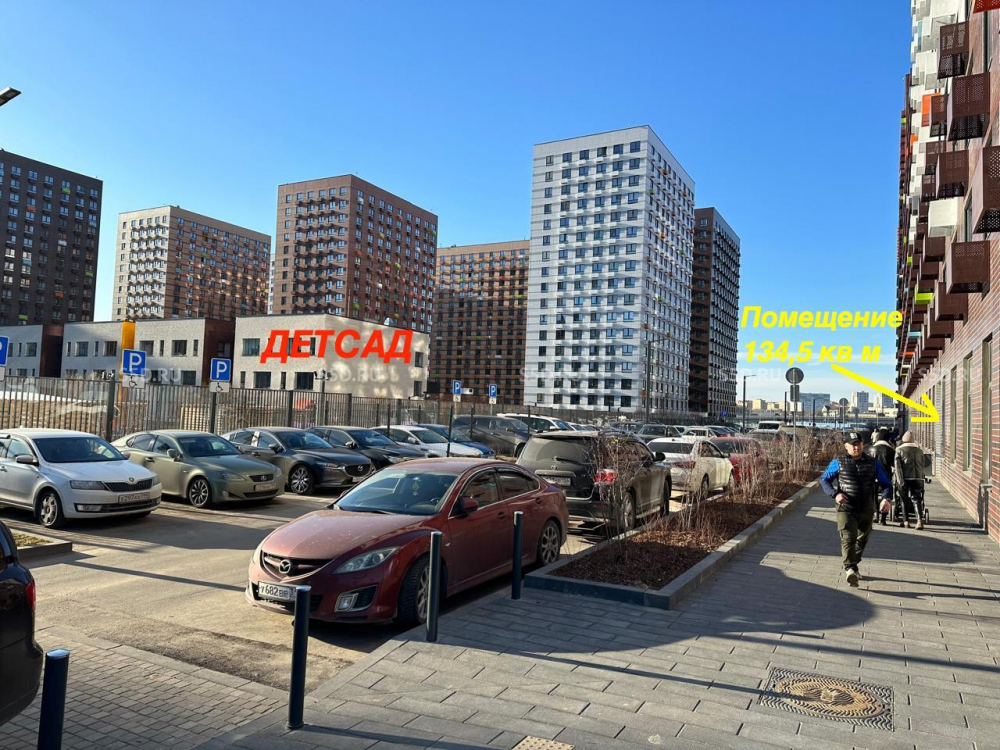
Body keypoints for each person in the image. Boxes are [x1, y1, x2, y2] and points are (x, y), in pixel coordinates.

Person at [820, 431, 892, 587]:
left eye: (858, 444)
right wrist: (835, 494)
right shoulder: (838, 462)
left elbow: (886, 483)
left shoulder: (873, 463)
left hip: (867, 507)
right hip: (846, 507)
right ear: (846, 446)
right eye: (852, 445)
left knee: (862, 539)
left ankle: (853, 564)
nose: (856, 447)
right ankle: (850, 569)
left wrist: (886, 499)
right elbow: (824, 480)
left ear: (863, 444)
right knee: (848, 537)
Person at [894, 430, 926, 530]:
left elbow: (897, 466)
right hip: (918, 477)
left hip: (905, 477)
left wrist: (899, 480)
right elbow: (923, 464)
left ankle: (906, 521)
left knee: (903, 499)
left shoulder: (899, 450)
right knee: (917, 499)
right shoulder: (920, 451)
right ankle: (919, 521)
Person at [867, 429, 896, 526]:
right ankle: (883, 518)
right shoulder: (890, 450)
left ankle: (876, 514)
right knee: (886, 496)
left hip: (873, 476)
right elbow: (894, 465)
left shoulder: (871, 449)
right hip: (886, 476)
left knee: (874, 495)